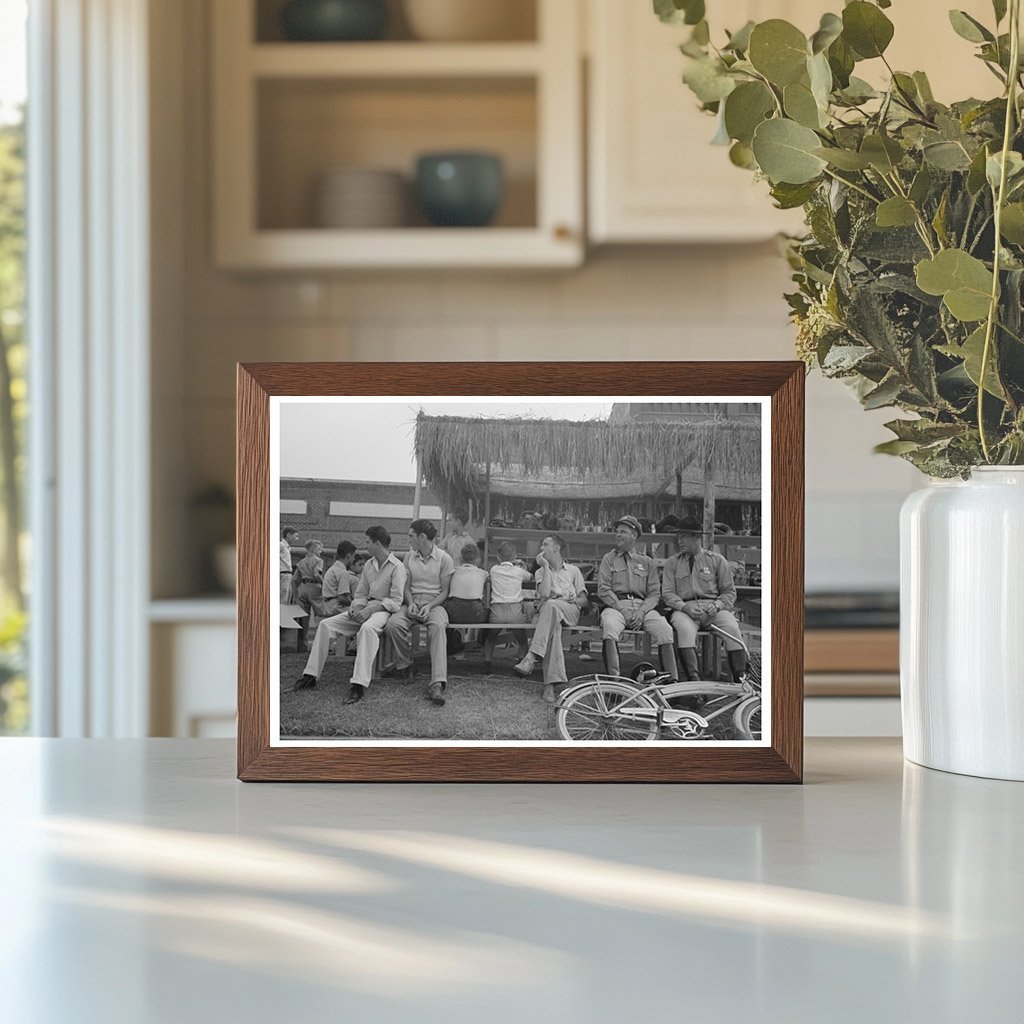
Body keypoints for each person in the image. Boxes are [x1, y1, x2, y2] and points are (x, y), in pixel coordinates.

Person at [292, 526, 407, 704]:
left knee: (367, 630)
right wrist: (355, 607)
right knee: (325, 625)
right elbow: (361, 594)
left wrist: (370, 610)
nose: (366, 546)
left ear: (377, 543)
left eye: (368, 542)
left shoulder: (397, 567)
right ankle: (310, 676)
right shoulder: (369, 565)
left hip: (382, 610)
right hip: (365, 606)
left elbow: (396, 600)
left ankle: (358, 685)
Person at [662, 516, 745, 683]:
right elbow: (668, 593)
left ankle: (742, 683)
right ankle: (695, 683)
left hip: (713, 608)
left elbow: (729, 592)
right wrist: (686, 608)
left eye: (684, 537)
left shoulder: (716, 560)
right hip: (685, 609)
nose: (679, 541)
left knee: (732, 628)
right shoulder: (672, 563)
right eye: (678, 537)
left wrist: (717, 605)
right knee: (685, 629)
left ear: (697, 537)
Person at [596, 514, 677, 680]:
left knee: (665, 629)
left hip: (643, 608)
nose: (618, 534)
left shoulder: (647, 562)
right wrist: (621, 609)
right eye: (617, 531)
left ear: (634, 536)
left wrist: (641, 612)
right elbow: (603, 589)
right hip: (616, 606)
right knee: (610, 626)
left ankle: (671, 681)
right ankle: (615, 680)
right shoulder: (608, 559)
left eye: (623, 532)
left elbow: (654, 593)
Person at [384, 519, 455, 705]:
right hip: (411, 602)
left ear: (422, 537)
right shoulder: (409, 557)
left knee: (439, 627)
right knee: (393, 624)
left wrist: (429, 606)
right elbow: (405, 586)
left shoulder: (444, 559)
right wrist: (411, 603)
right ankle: (406, 664)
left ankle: (437, 683)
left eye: (411, 536)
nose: (409, 540)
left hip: (435, 604)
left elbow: (445, 591)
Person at [513, 534, 588, 703]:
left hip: (569, 611)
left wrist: (574, 599)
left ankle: (531, 656)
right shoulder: (540, 571)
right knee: (553, 626)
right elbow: (545, 593)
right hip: (550, 614)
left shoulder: (574, 571)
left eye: (545, 544)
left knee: (551, 605)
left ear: (557, 548)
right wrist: (546, 566)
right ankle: (549, 687)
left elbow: (584, 601)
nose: (541, 548)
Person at [483, 541, 531, 673]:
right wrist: (523, 567)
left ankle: (487, 664)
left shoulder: (494, 569)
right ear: (515, 556)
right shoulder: (519, 571)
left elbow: (488, 577)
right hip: (514, 610)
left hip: (497, 610)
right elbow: (529, 577)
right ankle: (521, 663)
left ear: (498, 557)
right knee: (522, 640)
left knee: (491, 638)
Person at [445, 542, 489, 658]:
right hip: (476, 614)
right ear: (478, 560)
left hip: (454, 614)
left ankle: (450, 645)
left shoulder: (454, 571)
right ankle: (481, 643)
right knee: (490, 614)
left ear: (460, 558)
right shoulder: (483, 573)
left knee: (444, 613)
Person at [291, 539, 324, 652]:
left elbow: (294, 580)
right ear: (313, 549)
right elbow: (316, 573)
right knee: (320, 617)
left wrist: (296, 595)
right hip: (315, 588)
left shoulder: (300, 562)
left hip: (302, 589)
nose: (321, 551)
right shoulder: (318, 560)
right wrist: (324, 583)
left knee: (303, 619)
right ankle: (319, 646)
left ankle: (302, 646)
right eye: (319, 549)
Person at [321, 540, 357, 618]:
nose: (354, 559)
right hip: (337, 608)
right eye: (353, 556)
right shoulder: (342, 572)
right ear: (348, 556)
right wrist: (356, 604)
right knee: (361, 615)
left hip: (328, 606)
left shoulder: (332, 569)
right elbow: (342, 598)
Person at [280, 528, 299, 603]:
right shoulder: (281, 545)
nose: (297, 539)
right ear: (288, 535)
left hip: (287, 574)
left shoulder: (287, 547)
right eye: (296, 536)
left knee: (287, 595)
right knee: (283, 595)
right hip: (283, 573)